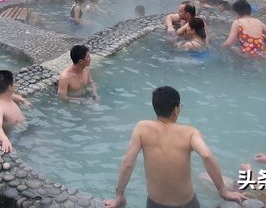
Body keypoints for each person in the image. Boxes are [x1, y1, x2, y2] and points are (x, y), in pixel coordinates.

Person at [105, 86, 247, 208]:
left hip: (155, 203)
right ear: (176, 110)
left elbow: (128, 163)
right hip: (186, 204)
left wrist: (119, 196)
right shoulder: (190, 133)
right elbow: (206, 155)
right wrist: (223, 191)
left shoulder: (141, 128)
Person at [0, 70, 30, 154]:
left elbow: (13, 95)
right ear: (9, 87)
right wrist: (5, 140)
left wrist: (23, 100)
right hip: (14, 134)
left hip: (22, 129)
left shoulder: (6, 96)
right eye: (13, 84)